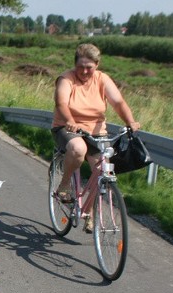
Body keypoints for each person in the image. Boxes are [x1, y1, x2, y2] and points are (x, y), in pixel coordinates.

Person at [52, 43, 140, 233]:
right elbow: (61, 102)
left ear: (97, 65)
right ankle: (65, 185)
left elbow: (118, 102)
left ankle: (89, 213)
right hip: (68, 127)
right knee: (78, 149)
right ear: (75, 64)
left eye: (89, 67)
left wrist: (130, 121)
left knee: (103, 172)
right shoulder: (66, 79)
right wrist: (70, 121)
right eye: (80, 66)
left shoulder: (102, 79)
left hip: (96, 132)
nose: (84, 71)